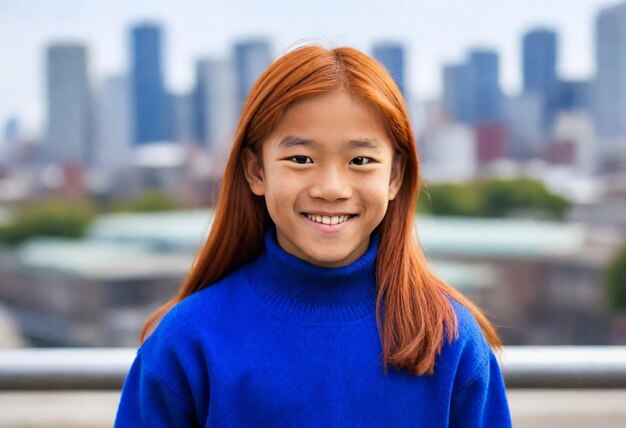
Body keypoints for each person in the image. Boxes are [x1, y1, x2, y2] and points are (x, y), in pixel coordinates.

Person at [114, 44, 512, 427]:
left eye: (361, 160)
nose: (332, 187)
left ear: (394, 176)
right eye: (301, 159)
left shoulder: (449, 341)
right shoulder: (187, 343)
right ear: (256, 171)